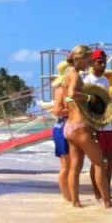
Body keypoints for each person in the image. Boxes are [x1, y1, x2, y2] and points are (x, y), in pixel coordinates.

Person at [62, 44, 112, 208]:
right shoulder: (75, 75)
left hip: (69, 127)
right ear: (80, 59)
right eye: (88, 60)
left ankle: (76, 202)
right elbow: (72, 94)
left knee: (74, 167)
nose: (88, 63)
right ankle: (107, 202)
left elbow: (66, 98)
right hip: (80, 126)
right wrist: (91, 98)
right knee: (100, 164)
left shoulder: (66, 75)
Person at [84, 49, 112, 202]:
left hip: (108, 124)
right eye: (100, 62)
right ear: (92, 63)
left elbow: (108, 103)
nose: (103, 65)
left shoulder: (105, 81)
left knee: (111, 161)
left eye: (104, 62)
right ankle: (97, 192)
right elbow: (84, 106)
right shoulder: (87, 81)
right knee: (98, 162)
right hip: (96, 125)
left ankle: (107, 190)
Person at [51, 59, 72, 202]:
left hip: (69, 128)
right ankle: (67, 198)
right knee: (66, 165)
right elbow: (57, 111)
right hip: (62, 129)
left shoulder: (69, 88)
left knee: (71, 165)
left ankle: (70, 196)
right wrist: (74, 111)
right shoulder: (60, 90)